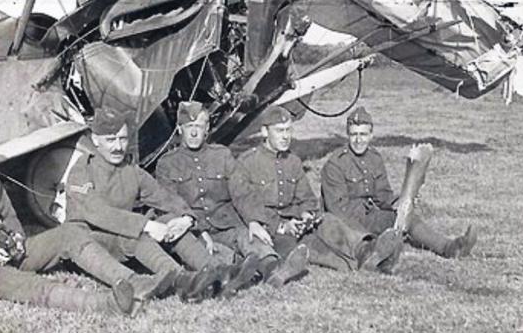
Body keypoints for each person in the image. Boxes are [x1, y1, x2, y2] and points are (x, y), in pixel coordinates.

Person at [0, 109, 173, 316]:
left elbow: (8, 215)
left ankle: (132, 282)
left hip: (7, 250)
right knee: (30, 285)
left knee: (70, 234)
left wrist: (18, 239)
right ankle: (106, 305)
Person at [62, 107, 256, 300]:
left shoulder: (130, 171)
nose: (118, 147)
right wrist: (146, 225)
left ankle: (216, 272)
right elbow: (96, 212)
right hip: (91, 244)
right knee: (139, 230)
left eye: (122, 139)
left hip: (124, 240)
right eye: (110, 140)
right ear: (96, 141)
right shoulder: (82, 170)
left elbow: (163, 197)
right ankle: (183, 279)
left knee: (169, 219)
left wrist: (187, 219)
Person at [230, 105, 404, 279]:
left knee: (328, 220)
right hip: (272, 230)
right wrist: (282, 226)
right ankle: (359, 263)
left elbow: (307, 198)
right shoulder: (247, 162)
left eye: (288, 130)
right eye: (279, 131)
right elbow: (245, 201)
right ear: (264, 132)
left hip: (297, 224)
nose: (285, 136)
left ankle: (365, 250)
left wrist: (305, 214)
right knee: (309, 249)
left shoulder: (293, 161)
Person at [156, 101, 305, 288]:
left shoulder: (222, 155)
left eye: (199, 126)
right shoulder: (167, 164)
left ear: (207, 128)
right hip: (196, 231)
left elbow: (241, 191)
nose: (194, 132)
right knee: (210, 253)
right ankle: (237, 272)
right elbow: (171, 204)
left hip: (227, 224)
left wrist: (253, 221)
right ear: (179, 129)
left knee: (249, 237)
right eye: (189, 127)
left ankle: (273, 270)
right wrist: (200, 231)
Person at [320, 106, 477, 259]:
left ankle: (449, 248)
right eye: (354, 134)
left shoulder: (374, 158)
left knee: (407, 217)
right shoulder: (335, 164)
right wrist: (367, 235)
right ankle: (377, 250)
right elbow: (338, 212)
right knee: (383, 235)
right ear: (348, 135)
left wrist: (401, 203)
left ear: (371, 135)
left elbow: (383, 197)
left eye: (363, 134)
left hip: (371, 216)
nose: (358, 140)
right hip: (348, 225)